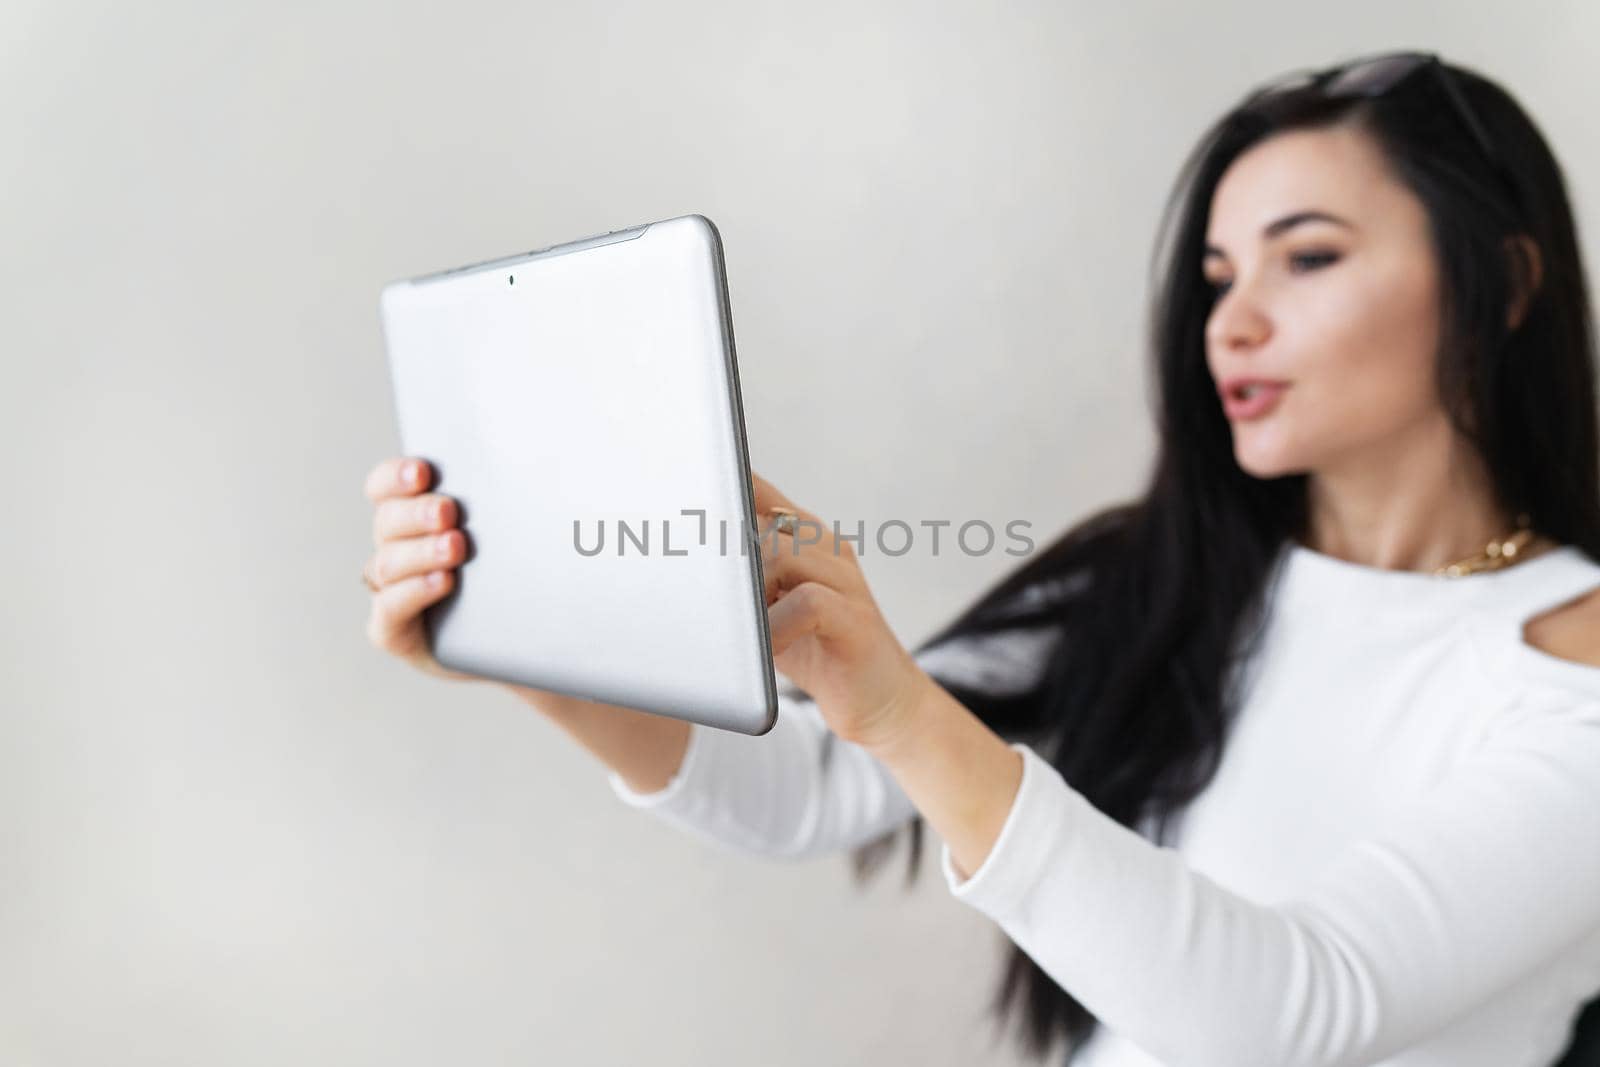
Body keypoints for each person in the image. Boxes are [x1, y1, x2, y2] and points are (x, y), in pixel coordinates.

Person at [360, 49, 1600, 1067]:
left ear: (1501, 286)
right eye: (1218, 273)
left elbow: (1291, 1008)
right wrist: (522, 639)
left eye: (1310, 255)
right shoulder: (1165, 577)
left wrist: (901, 706)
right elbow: (797, 791)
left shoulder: (1568, 665)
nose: (1232, 318)